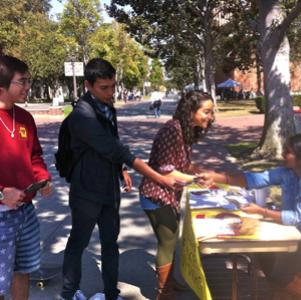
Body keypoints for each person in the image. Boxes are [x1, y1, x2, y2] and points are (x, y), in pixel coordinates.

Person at [60, 58, 177, 300]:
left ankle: (111, 294)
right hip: (86, 192)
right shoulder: (81, 114)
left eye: (113, 86)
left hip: (109, 190)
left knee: (110, 244)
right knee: (78, 243)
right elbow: (113, 147)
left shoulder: (107, 107)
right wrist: (158, 178)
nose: (111, 92)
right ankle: (69, 293)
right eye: (104, 88)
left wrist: (121, 170)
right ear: (88, 85)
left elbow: (113, 145)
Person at [199, 133, 301, 299]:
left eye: (288, 152)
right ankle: (282, 292)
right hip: (297, 238)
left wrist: (261, 211)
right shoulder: (288, 172)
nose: (283, 154)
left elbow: (297, 217)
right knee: (265, 255)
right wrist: (217, 177)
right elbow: (255, 179)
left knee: (279, 273)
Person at [139, 90, 215, 299]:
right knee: (168, 241)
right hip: (156, 195)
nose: (210, 116)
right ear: (191, 110)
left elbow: (184, 163)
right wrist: (196, 180)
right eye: (206, 112)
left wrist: (200, 171)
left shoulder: (186, 130)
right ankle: (163, 292)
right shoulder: (172, 130)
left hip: (169, 195)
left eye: (211, 112)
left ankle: (170, 282)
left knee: (170, 240)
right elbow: (166, 169)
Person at [0, 55, 52, 300]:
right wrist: (2, 193)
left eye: (29, 80)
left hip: (25, 212)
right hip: (1, 216)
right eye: (22, 81)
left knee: (23, 270)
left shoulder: (25, 118)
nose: (28, 87)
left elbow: (35, 155)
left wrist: (42, 177)